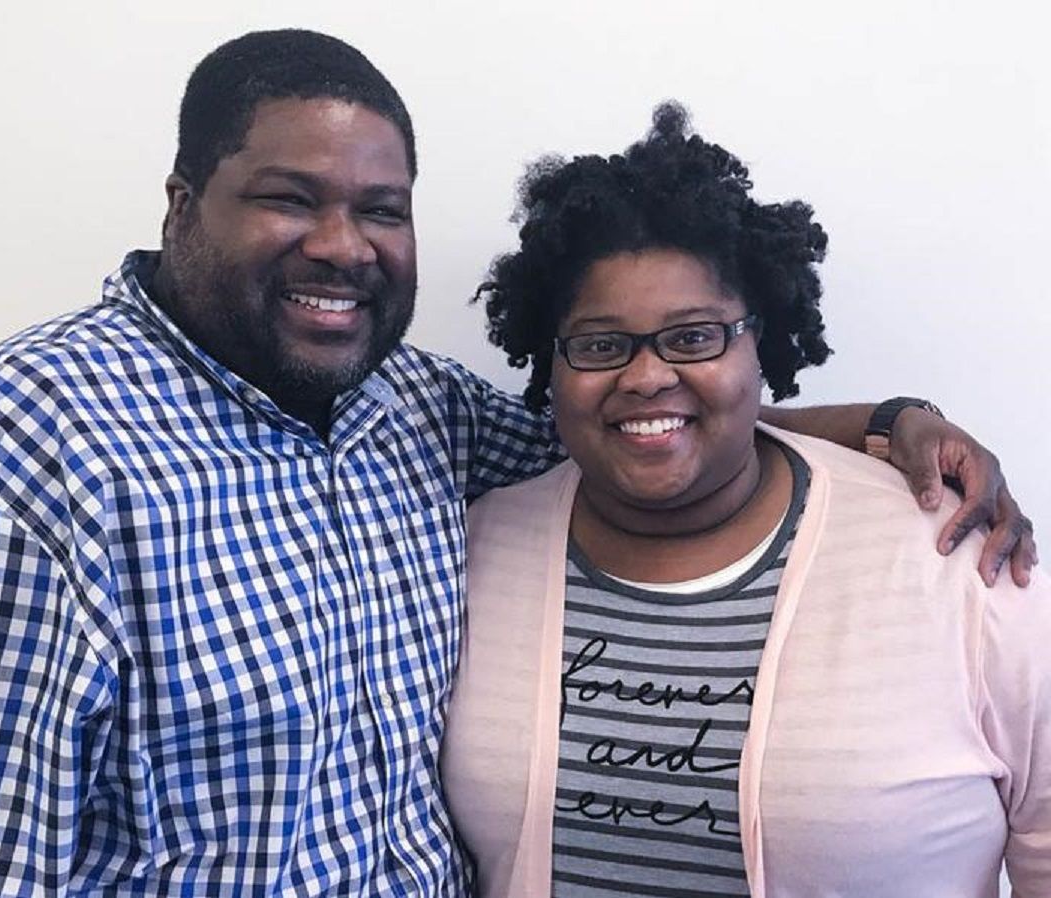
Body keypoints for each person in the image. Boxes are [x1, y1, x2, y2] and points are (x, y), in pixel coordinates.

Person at [0, 30, 1035, 898]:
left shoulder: (406, 410)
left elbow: (640, 427)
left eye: (382, 207)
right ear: (180, 203)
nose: (341, 244)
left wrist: (892, 414)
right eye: (288, 198)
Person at [440, 102, 1050, 897]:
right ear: (548, 365)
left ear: (764, 342)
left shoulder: (957, 556)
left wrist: (896, 417)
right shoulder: (475, 550)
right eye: (599, 345)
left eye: (694, 336)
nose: (646, 376)